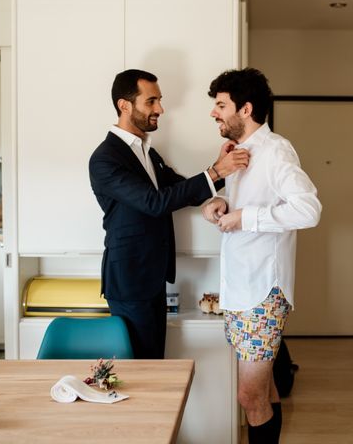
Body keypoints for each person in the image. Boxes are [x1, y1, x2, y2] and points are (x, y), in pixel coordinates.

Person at [89, 69, 249, 359]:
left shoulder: (147, 152)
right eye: (151, 102)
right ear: (124, 105)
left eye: (159, 101)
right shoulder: (105, 159)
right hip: (129, 280)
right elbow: (154, 202)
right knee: (139, 369)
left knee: (153, 362)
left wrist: (220, 167)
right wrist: (216, 171)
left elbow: (177, 188)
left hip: (151, 277)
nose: (160, 109)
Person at [201, 68, 321, 443]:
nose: (214, 113)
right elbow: (249, 204)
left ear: (246, 108)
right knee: (263, 392)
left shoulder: (276, 151)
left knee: (249, 396)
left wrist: (244, 218)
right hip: (241, 290)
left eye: (221, 105)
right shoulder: (240, 153)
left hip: (261, 294)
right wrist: (221, 202)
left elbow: (308, 209)